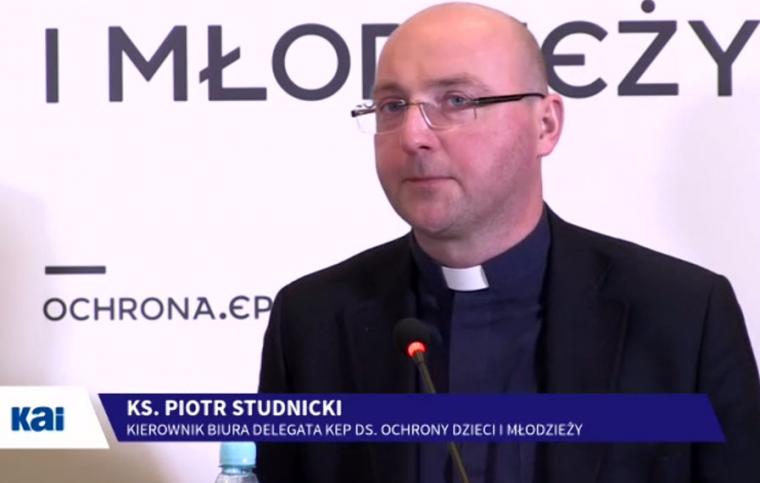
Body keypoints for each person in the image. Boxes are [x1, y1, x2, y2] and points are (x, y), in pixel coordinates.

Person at [257, 3, 760, 482]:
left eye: (456, 101)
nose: (412, 136)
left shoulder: (682, 315)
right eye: (392, 106)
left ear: (546, 124)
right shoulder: (311, 319)